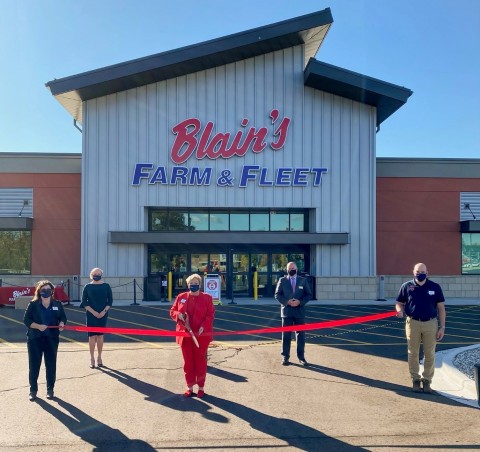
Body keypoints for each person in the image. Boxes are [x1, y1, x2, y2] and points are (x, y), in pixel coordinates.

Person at [395, 262, 446, 394]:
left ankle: (427, 381)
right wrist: (399, 310)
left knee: (429, 354)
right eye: (417, 272)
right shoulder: (406, 286)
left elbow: (441, 308)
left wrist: (442, 327)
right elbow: (399, 302)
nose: (420, 274)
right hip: (413, 323)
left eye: (422, 272)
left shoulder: (435, 287)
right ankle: (415, 380)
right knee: (413, 353)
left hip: (431, 324)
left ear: (427, 273)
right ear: (413, 272)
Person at [170, 273, 215, 398]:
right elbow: (172, 311)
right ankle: (189, 386)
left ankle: (201, 387)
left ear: (199, 285)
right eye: (191, 283)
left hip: (201, 336)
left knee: (200, 362)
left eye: (196, 283)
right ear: (187, 285)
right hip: (185, 335)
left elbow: (210, 315)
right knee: (188, 363)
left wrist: (203, 327)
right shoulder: (181, 297)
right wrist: (178, 314)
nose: (193, 285)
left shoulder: (207, 298)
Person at [23, 280, 67, 401]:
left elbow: (63, 317)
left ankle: (50, 389)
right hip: (35, 339)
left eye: (48, 289)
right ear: (39, 292)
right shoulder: (33, 304)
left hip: (51, 339)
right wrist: (38, 326)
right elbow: (26, 320)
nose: (45, 292)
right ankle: (33, 390)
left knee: (51, 365)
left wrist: (62, 323)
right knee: (34, 365)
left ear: (52, 291)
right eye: (43, 290)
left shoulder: (57, 304)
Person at [275, 261, 312, 366]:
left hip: (299, 312)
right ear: (287, 270)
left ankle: (301, 357)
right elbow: (277, 295)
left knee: (301, 336)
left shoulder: (303, 281)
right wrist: (287, 302)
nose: (292, 270)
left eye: (294, 268)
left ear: (297, 269)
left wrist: (300, 302)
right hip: (287, 312)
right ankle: (285, 357)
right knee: (286, 335)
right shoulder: (282, 280)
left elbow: (309, 295)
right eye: (290, 268)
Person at [81, 267, 113, 369]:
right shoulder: (87, 287)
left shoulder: (106, 286)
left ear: (101, 274)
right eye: (95, 273)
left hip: (103, 315)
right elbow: (84, 302)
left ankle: (99, 357)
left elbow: (110, 301)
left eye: (98, 273)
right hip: (91, 315)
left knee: (100, 336)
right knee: (92, 337)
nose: (97, 275)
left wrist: (103, 311)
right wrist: (94, 312)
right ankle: (92, 358)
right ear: (91, 274)